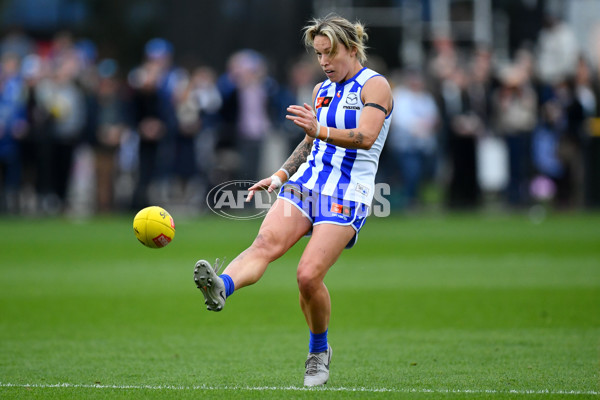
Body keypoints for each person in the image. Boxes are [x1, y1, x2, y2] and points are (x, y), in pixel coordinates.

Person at [193, 14, 393, 387]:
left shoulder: (375, 86)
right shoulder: (323, 90)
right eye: (318, 55)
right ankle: (222, 285)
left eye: (329, 53)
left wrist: (319, 128)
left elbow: (365, 137)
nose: (323, 62)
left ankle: (319, 350)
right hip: (305, 184)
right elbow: (310, 142)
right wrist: (281, 175)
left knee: (307, 276)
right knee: (265, 243)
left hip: (348, 193)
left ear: (351, 48)